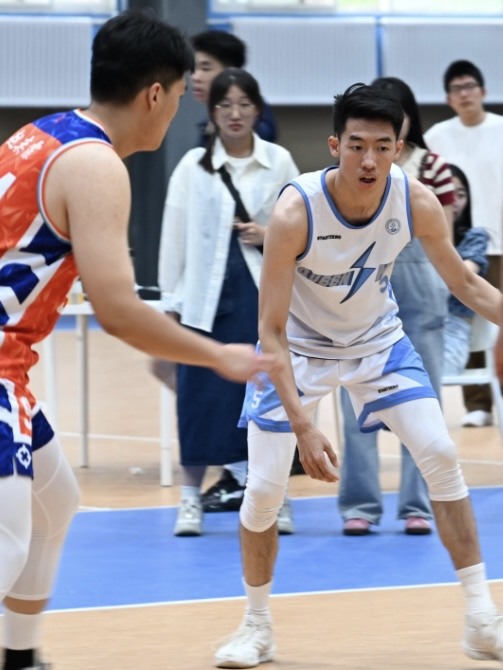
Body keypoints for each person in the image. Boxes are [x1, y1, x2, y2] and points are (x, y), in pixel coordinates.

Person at [0, 11, 278, 670]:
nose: (180, 109)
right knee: (7, 544)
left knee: (54, 499)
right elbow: (120, 312)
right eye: (181, 94)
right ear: (155, 94)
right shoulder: (95, 164)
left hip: (13, 367)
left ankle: (21, 656)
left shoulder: (42, 133)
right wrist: (217, 355)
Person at [214, 83, 503, 669]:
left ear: (399, 148)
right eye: (356, 146)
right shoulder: (295, 211)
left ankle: (480, 620)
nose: (369, 160)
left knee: (441, 453)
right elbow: (270, 331)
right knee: (265, 490)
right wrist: (303, 425)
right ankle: (256, 625)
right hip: (296, 350)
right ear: (335, 146)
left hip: (378, 344)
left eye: (382, 146)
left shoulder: (416, 201)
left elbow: (466, 285)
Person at [158, 68, 299, 537]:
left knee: (271, 402)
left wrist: (268, 234)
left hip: (262, 300)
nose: (235, 113)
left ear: (257, 109)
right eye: (224, 105)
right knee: (198, 402)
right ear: (212, 112)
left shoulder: (279, 162)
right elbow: (173, 239)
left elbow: (305, 227)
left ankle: (277, 499)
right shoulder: (191, 167)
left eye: (243, 104)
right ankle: (189, 499)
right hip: (203, 304)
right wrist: (170, 307)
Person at [338, 76, 455, 537]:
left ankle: (417, 504)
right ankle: (360, 504)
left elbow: (444, 239)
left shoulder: (433, 168)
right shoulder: (352, 168)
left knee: (423, 407)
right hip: (362, 296)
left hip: (423, 291)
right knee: (357, 406)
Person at [188, 31, 279, 508]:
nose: (195, 76)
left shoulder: (265, 139)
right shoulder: (201, 143)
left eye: (205, 67)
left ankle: (248, 469)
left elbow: (286, 209)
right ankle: (235, 466)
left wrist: (266, 232)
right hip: (215, 279)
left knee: (254, 374)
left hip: (253, 276)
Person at [425, 59, 503, 428]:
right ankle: (478, 404)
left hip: (499, 240)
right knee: (470, 317)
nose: (464, 94)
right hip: (459, 242)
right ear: (448, 98)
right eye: (457, 89)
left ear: (483, 91)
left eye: (470, 86)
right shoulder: (437, 136)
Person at [190, 30, 277, 147]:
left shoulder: (255, 119)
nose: (195, 77)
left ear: (231, 72)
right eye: (193, 69)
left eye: (205, 69)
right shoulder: (210, 120)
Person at [443, 164, 489, 375]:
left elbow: (460, 277)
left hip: (453, 326)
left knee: (436, 374)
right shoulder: (415, 238)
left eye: (460, 195)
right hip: (411, 324)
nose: (453, 201)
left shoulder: (475, 237)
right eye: (446, 195)